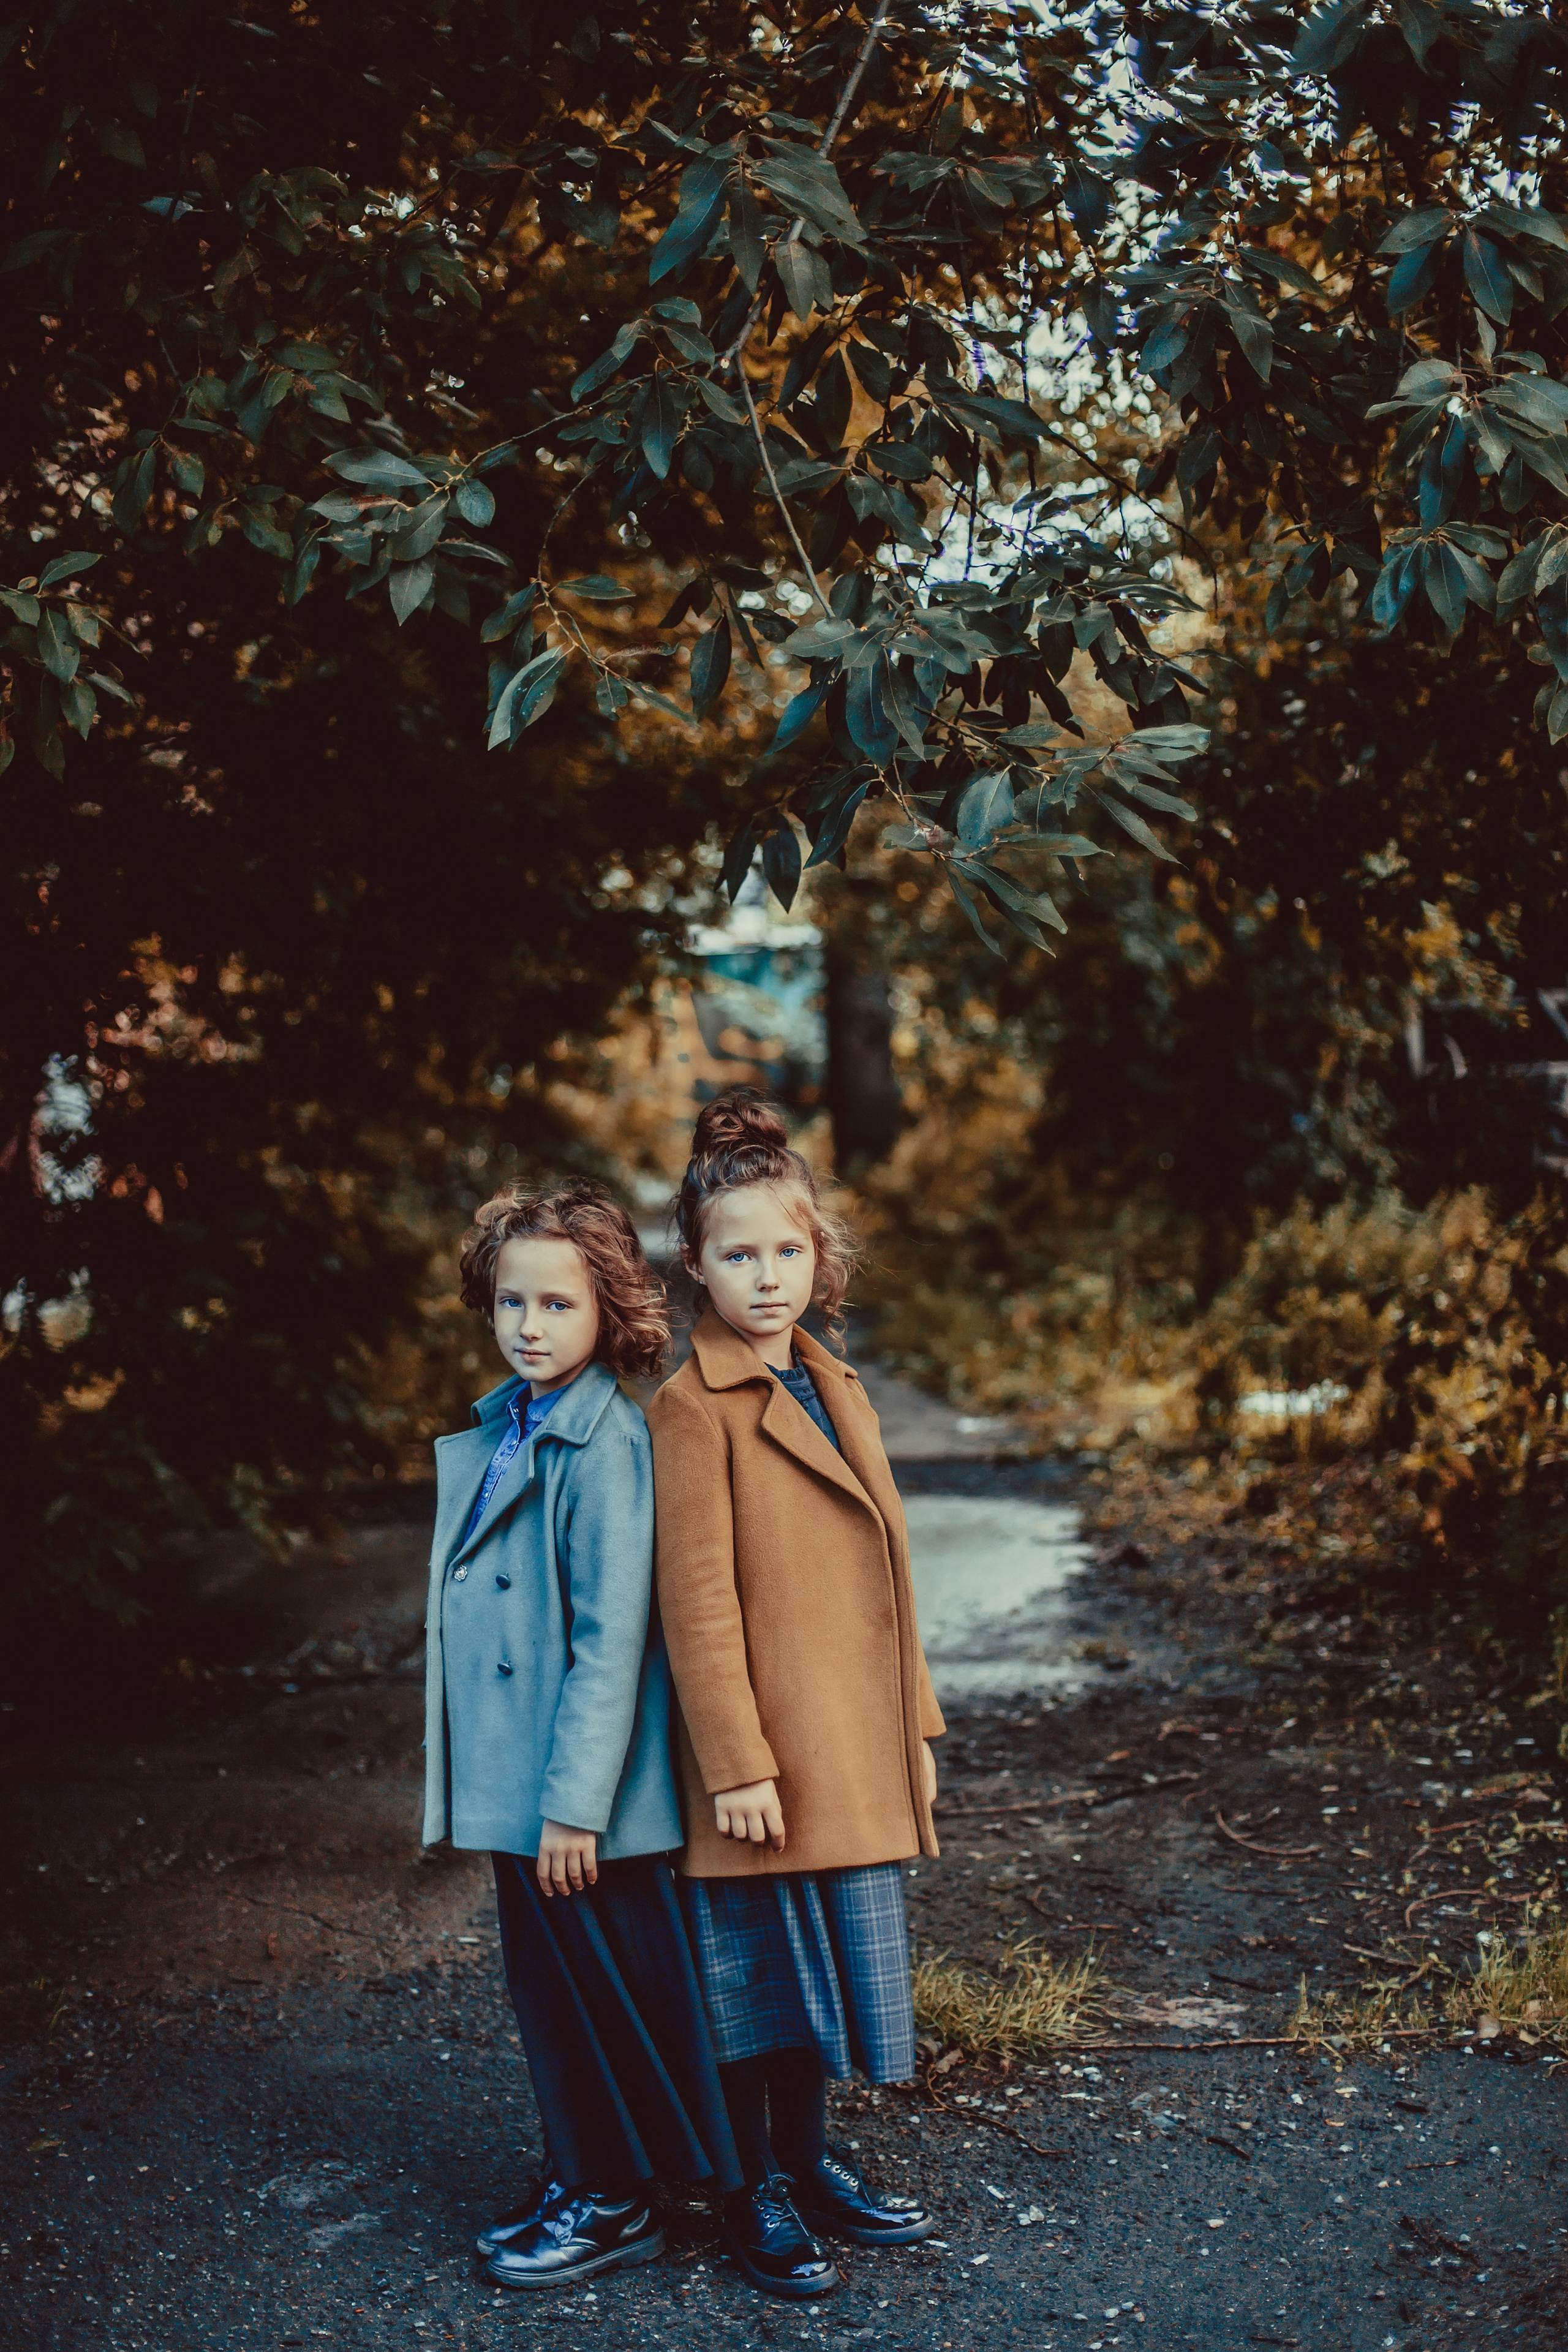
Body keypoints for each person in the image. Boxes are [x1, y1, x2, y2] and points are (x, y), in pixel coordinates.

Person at [646, 1090, 943, 2303]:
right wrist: (736, 1764)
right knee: (750, 1980)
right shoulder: (687, 1407)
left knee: (816, 1970)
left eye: (785, 1250)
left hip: (850, 1737)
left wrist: (916, 1727)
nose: (764, 1277)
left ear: (819, 1258)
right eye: (737, 1255)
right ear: (696, 1269)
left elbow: (893, 1577)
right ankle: (744, 2187)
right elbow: (696, 1603)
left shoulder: (838, 1380)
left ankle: (806, 2164)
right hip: (763, 1754)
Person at [422, 1177, 742, 2291]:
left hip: (578, 1800)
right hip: (523, 1780)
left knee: (604, 1998)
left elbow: (616, 1642)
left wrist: (574, 1806)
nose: (529, 1328)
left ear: (609, 1309)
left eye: (557, 1307)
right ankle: (586, 2174)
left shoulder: (604, 1440)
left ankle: (613, 2199)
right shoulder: (508, 1423)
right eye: (513, 1304)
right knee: (554, 1996)